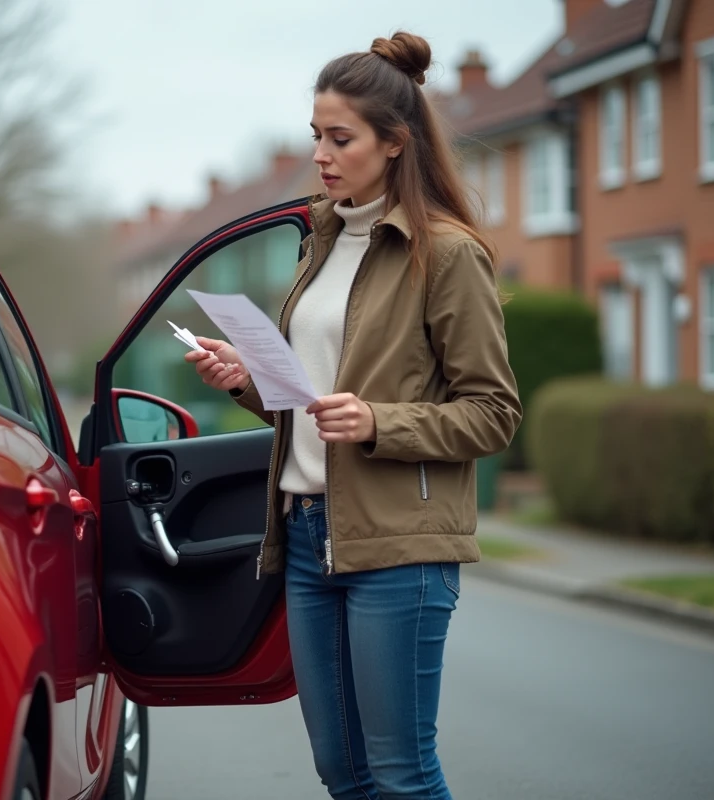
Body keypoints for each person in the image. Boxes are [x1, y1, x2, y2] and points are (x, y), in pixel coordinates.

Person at [185, 31, 522, 800]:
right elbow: (311, 397)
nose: (322, 156)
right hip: (308, 535)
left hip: (399, 546)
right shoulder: (323, 242)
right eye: (316, 137)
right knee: (343, 772)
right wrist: (248, 378)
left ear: (394, 144)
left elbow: (494, 414)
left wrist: (379, 423)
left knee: (401, 774)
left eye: (341, 139)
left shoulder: (447, 254)